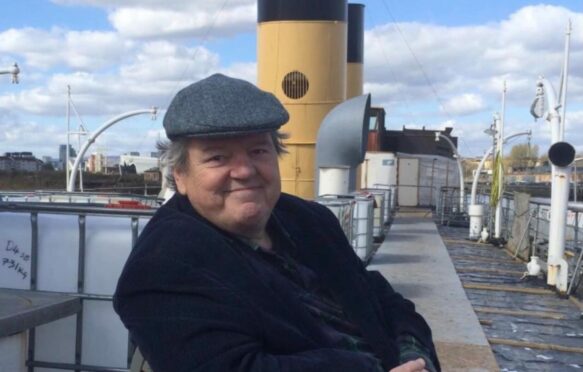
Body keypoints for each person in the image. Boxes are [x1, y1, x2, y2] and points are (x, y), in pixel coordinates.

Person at [114, 73, 441, 372]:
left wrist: (415, 356)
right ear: (180, 176)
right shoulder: (162, 268)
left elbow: (382, 298)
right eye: (218, 158)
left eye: (258, 151)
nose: (244, 171)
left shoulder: (309, 220)